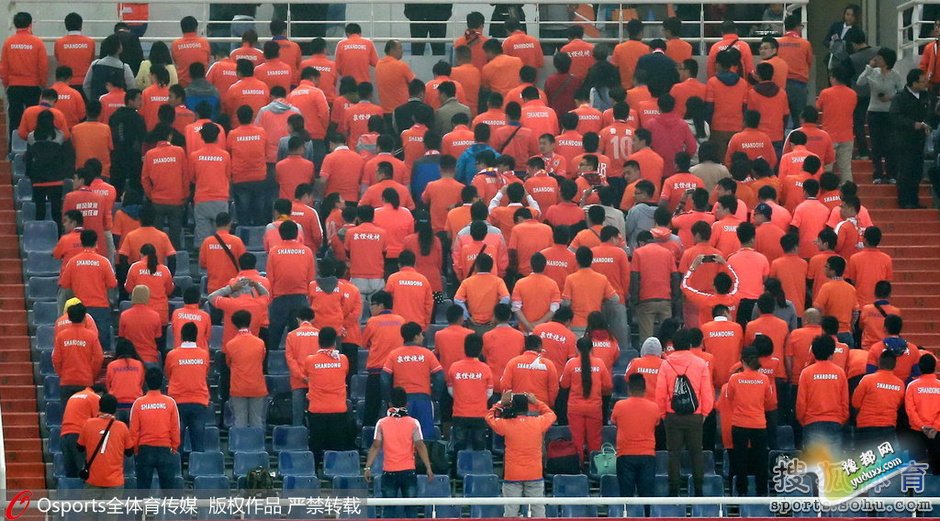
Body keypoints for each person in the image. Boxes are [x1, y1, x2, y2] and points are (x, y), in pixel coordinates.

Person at [655, 327, 714, 496]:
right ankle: (698, 490)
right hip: (695, 415)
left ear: (673, 344)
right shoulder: (700, 364)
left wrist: (663, 414)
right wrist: (705, 413)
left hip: (672, 415)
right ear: (689, 344)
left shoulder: (666, 364)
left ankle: (674, 492)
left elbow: (660, 392)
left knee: (673, 454)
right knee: (696, 453)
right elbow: (706, 391)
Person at [365, 387, 434, 519]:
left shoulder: (381, 423)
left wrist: (368, 467)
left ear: (390, 403)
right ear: (406, 404)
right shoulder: (414, 423)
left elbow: (375, 446)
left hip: (389, 472)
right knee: (411, 511)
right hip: (408, 472)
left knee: (389, 511)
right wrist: (428, 467)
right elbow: (420, 446)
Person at [485, 391, 556, 518]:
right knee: (538, 511)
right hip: (534, 473)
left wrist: (501, 403)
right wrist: (536, 402)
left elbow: (488, 417)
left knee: (511, 512)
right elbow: (552, 415)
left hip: (513, 474)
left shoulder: (506, 424)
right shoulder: (538, 422)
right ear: (527, 407)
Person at [725, 345, 776, 496]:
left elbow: (729, 398)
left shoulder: (734, 379)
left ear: (742, 361)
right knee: (761, 461)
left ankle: (741, 493)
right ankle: (762, 493)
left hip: (739, 424)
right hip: (759, 424)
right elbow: (769, 401)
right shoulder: (764, 379)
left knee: (740, 460)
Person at [382, 323, 444, 439]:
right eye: (421, 335)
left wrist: (389, 399)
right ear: (416, 337)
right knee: (425, 437)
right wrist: (435, 395)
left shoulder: (394, 354)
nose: (423, 337)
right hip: (423, 399)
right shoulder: (427, 354)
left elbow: (384, 378)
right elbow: (440, 376)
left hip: (401, 402)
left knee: (400, 436)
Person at [561, 336, 613, 466]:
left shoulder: (571, 363)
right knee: (595, 440)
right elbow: (607, 386)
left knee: (576, 440)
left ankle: (578, 466)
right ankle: (595, 466)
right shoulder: (599, 363)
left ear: (576, 349)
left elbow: (564, 384)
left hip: (575, 408)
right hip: (594, 408)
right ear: (592, 349)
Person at [304, 327, 353, 461]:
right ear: (334, 342)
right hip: (338, 410)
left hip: (317, 410)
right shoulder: (343, 359)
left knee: (315, 448)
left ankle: (314, 471)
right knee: (337, 449)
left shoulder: (310, 360)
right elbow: (345, 373)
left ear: (318, 342)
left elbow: (306, 374)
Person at [266, 220, 315, 349]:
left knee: (273, 339)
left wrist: (270, 301)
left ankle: (271, 360)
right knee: (298, 341)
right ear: (297, 233)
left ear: (280, 234)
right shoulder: (307, 251)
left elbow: (270, 278)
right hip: (300, 298)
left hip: (279, 299)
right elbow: (311, 279)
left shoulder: (274, 252)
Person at [163, 321, 210, 454]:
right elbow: (205, 373)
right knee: (198, 445)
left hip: (178, 402)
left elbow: (168, 374)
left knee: (177, 444)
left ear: (181, 336)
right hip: (199, 402)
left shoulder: (172, 355)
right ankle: (198, 466)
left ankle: (178, 466)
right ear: (196, 336)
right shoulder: (204, 354)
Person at [611, 373, 660, 499]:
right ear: (645, 389)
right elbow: (657, 423)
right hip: (647, 455)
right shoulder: (654, 407)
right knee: (647, 496)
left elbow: (614, 421)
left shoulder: (619, 406)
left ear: (628, 389)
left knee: (626, 496)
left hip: (625, 455)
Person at [796, 335, 849, 452]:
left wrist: (803, 421)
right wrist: (841, 419)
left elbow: (801, 402)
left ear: (813, 352)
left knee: (814, 462)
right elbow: (844, 401)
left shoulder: (806, 373)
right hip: (835, 422)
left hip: (812, 423)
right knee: (834, 462)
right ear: (832, 352)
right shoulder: (840, 372)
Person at [892, 68, 934, 209]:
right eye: (922, 81)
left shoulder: (925, 96)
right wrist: (912, 124)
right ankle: (904, 200)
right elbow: (895, 117)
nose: (925, 84)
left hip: (919, 140)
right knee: (906, 170)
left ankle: (914, 199)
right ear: (914, 83)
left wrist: (926, 123)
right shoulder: (900, 98)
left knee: (917, 171)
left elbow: (929, 114)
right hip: (904, 140)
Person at [448, 333, 493, 455]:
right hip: (480, 414)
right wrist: (478, 399)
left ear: (464, 347)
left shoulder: (454, 367)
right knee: (479, 449)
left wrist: (461, 398)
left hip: (459, 414)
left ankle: (457, 468)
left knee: (459, 449)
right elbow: (489, 393)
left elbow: (451, 391)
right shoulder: (486, 369)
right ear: (481, 349)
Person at [77, 393, 134, 491]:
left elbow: (79, 447)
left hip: (93, 480)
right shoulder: (122, 427)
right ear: (115, 409)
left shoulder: (88, 424)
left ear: (99, 407)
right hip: (115, 481)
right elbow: (129, 452)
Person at [631, 231, 679, 342]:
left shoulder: (638, 253)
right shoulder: (667, 252)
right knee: (668, 337)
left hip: (646, 300)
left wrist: (635, 299)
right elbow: (675, 276)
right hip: (665, 299)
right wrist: (675, 297)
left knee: (646, 339)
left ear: (641, 243)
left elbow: (635, 277)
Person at [224, 310, 268, 427]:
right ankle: (257, 440)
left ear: (235, 324)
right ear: (249, 322)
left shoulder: (230, 344)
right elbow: (261, 359)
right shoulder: (260, 343)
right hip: (257, 386)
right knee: (257, 421)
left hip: (238, 387)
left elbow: (228, 363)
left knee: (239, 422)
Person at [54, 302, 105, 401]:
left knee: (67, 410)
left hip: (66, 381)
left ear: (69, 318)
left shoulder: (61, 336)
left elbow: (56, 359)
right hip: (85, 381)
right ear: (84, 317)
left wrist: (63, 375)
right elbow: (98, 358)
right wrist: (91, 375)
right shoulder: (92, 336)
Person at [852, 351, 904, 446]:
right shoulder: (900, 384)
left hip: (866, 426)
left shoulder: (867, 379)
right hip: (888, 427)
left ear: (879, 363)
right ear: (895, 365)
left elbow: (855, 403)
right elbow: (898, 405)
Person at [817, 66, 857, 182]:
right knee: (846, 169)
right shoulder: (853, 94)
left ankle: (826, 190)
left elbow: (817, 107)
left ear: (833, 78)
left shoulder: (825, 93)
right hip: (847, 135)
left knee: (826, 168)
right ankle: (848, 189)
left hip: (829, 135)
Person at [905, 354, 940, 472]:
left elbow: (910, 410)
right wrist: (935, 427)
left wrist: (922, 426)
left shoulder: (912, 386)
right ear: (935, 367)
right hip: (937, 433)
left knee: (916, 469)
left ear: (919, 367)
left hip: (917, 431)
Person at [60, 385, 101, 478]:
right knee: (84, 472)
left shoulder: (73, 396)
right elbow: (99, 421)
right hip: (79, 436)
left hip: (64, 435)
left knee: (70, 475)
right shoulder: (95, 397)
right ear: (100, 393)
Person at [105, 339, 145, 420]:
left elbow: (108, 385)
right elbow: (141, 383)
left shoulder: (111, 365)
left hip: (116, 404)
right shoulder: (139, 365)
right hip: (134, 404)